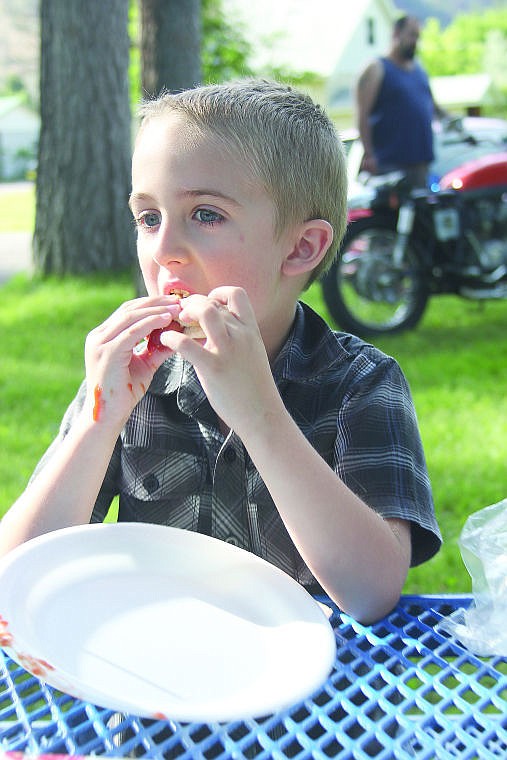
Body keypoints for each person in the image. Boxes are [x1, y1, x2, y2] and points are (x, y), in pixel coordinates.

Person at [0, 79, 441, 623]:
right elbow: (17, 571)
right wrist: (98, 420)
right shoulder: (128, 382)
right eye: (148, 218)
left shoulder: (362, 384)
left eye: (205, 215)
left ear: (301, 247)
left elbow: (372, 592)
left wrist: (260, 416)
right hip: (154, 679)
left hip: (314, 689)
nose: (164, 251)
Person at [356, 15, 447, 188]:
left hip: (421, 165)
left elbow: (433, 108)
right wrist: (369, 155)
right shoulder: (376, 68)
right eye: (412, 35)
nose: (415, 42)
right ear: (397, 33)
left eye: (418, 37)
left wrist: (454, 121)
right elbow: (362, 116)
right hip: (390, 167)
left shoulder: (419, 71)